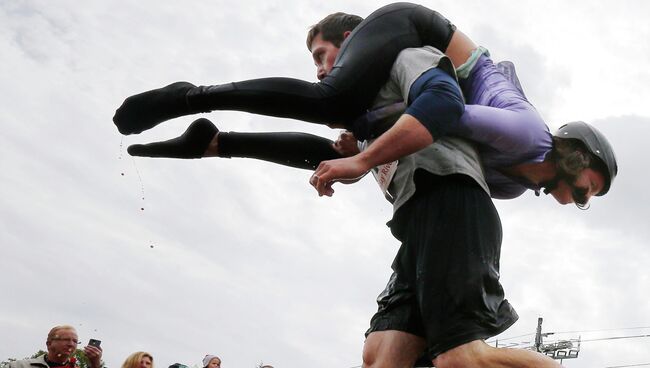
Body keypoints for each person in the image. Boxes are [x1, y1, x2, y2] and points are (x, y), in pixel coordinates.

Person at [125, 10, 616, 207]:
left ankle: (215, 143)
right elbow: (444, 115)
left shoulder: (513, 184)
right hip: (418, 28)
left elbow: (435, 144)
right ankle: (191, 94)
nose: (586, 199)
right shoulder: (530, 136)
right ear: (581, 155)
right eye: (592, 187)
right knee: (338, 106)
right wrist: (364, 148)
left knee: (341, 136)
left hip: (422, 86)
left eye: (322, 57)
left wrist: (361, 148)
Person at [9, 325, 103, 368]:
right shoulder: (19, 366)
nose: (71, 344)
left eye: (75, 341)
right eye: (65, 339)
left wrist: (95, 364)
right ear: (49, 344)